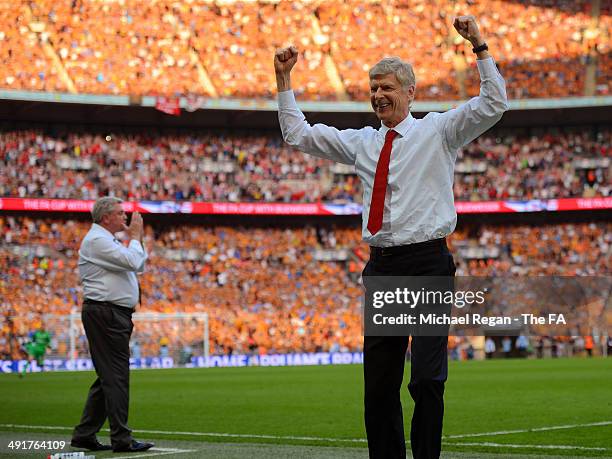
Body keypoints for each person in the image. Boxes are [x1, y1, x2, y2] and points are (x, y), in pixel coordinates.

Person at [274, 15, 507, 459]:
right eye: (373, 89)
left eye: (387, 88)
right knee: (379, 385)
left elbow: (493, 104)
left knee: (425, 380)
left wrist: (480, 46)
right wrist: (284, 80)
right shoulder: (362, 141)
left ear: (410, 92)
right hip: (383, 269)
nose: (379, 96)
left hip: (428, 265)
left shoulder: (438, 131)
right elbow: (297, 133)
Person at [71, 197, 154, 453]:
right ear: (105, 217)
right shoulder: (98, 240)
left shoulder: (107, 239)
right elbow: (133, 261)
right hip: (106, 313)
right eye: (120, 213)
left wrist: (134, 241)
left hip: (110, 313)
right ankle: (122, 438)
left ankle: (85, 434)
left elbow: (137, 264)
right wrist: (136, 237)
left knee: (108, 377)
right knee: (116, 375)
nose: (125, 217)